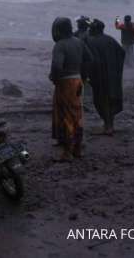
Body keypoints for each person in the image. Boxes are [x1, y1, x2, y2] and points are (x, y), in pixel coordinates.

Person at [50, 17, 92, 161]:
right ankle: (77, 149)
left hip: (65, 83)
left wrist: (54, 78)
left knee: (66, 116)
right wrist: (84, 77)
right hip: (78, 80)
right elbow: (89, 59)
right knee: (77, 114)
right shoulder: (78, 42)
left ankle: (67, 152)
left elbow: (57, 65)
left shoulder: (60, 45)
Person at [84, 19, 125, 135]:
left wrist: (88, 74)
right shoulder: (110, 39)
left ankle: (108, 126)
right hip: (112, 76)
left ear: (94, 29)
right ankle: (109, 124)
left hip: (99, 77)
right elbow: (122, 52)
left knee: (101, 101)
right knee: (110, 99)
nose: (89, 29)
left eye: (91, 28)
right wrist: (116, 68)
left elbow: (88, 60)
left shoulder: (90, 42)